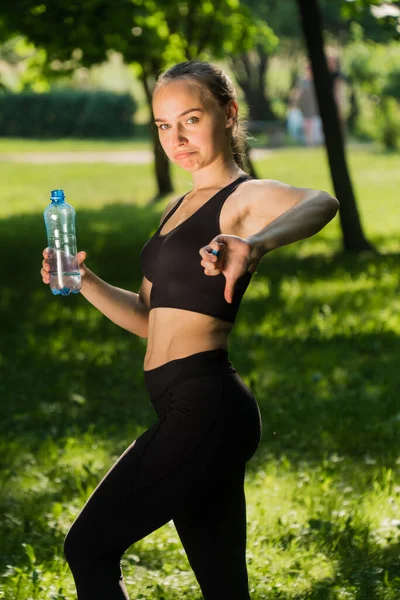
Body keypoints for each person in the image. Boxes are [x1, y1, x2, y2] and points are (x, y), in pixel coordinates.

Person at [40, 60, 339, 600]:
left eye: (190, 119)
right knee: (225, 588)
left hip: (206, 404)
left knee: (88, 548)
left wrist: (256, 245)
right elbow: (149, 319)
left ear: (228, 114)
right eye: (162, 125)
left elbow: (321, 202)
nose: (175, 138)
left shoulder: (241, 199)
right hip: (187, 402)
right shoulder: (180, 206)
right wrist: (84, 281)